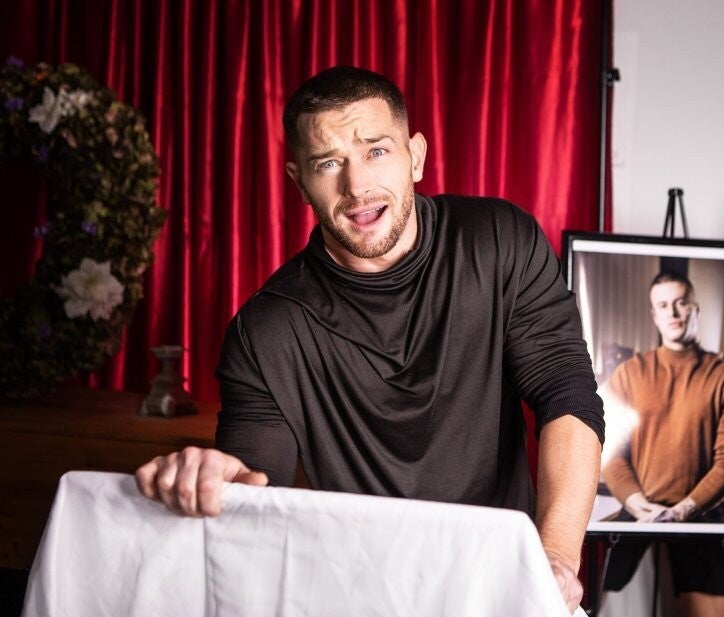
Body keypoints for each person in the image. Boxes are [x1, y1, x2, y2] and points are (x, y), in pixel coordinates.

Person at [133, 65, 604, 612]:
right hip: (359, 598)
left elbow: (566, 394)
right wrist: (218, 480)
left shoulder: (500, 241)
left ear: (416, 157)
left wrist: (555, 560)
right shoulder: (266, 330)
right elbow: (254, 493)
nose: (356, 186)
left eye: (376, 150)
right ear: (299, 181)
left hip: (505, 586)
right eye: (328, 163)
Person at [599, 270, 724, 617]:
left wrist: (683, 511)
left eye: (681, 303)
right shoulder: (628, 374)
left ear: (695, 309)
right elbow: (612, 451)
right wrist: (638, 505)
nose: (672, 312)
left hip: (702, 512)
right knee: (589, 597)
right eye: (663, 305)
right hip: (638, 510)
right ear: (654, 315)